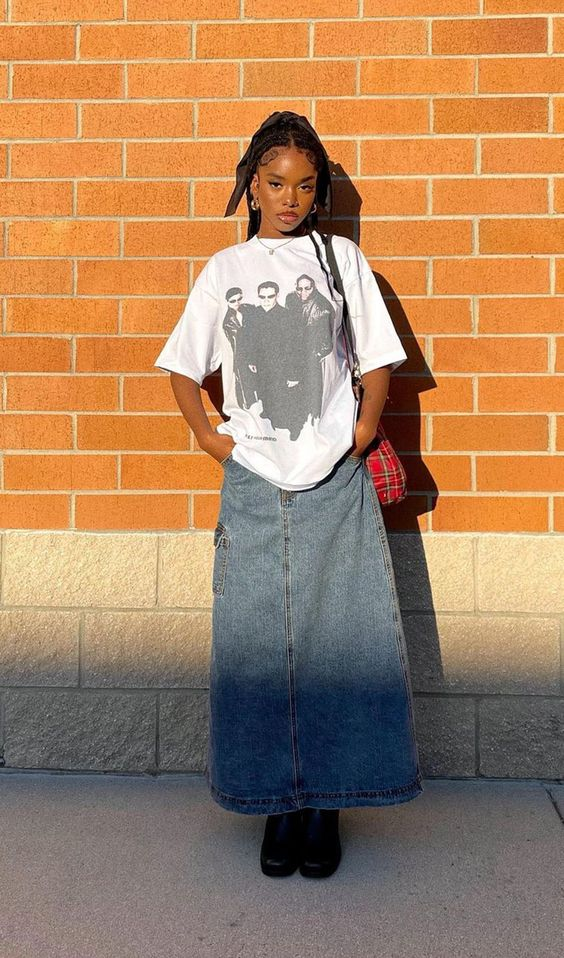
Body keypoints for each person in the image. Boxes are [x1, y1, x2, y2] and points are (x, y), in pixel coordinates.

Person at [153, 111, 423, 880]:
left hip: (335, 482)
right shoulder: (224, 271)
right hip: (254, 481)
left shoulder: (341, 260)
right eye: (274, 183)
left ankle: (326, 807)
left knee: (344, 642)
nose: (289, 197)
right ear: (251, 184)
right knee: (256, 650)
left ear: (320, 190)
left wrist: (363, 429)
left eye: (304, 185)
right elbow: (181, 365)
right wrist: (210, 437)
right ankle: (276, 810)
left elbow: (377, 360)